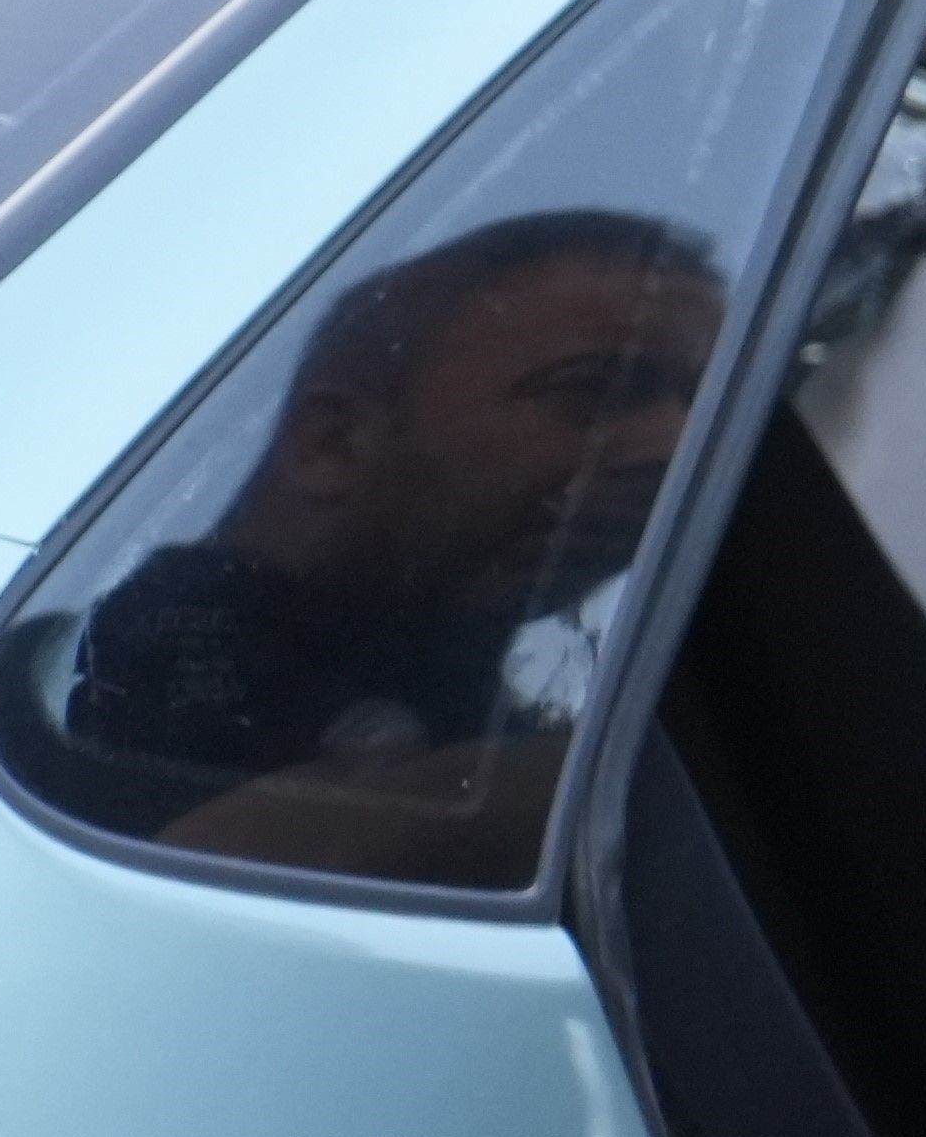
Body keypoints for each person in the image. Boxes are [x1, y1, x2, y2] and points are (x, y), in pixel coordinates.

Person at [56, 205, 729, 883]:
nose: (675, 448)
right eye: (594, 391)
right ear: (332, 444)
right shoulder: (138, 684)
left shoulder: (459, 663)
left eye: (701, 409)